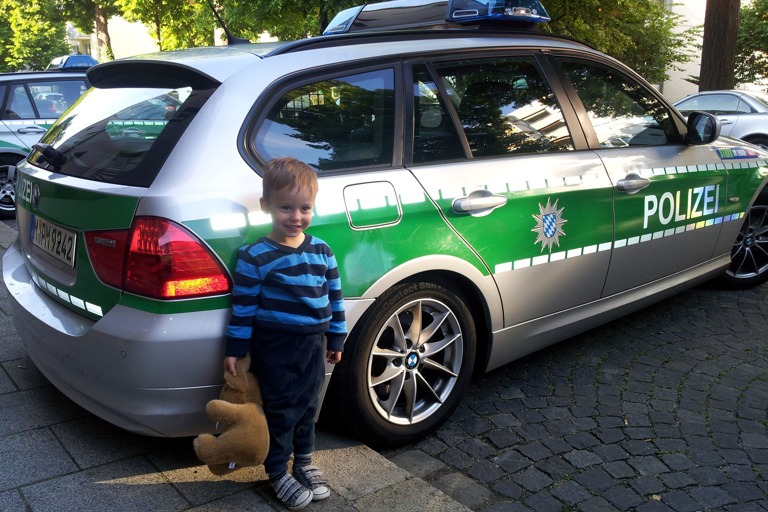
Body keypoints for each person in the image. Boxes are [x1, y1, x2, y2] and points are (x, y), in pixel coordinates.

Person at [224, 157, 347, 510]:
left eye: (305, 208)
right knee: (281, 408)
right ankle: (277, 470)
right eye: (286, 208)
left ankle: (304, 462)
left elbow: (335, 297)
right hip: (277, 346)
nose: (296, 217)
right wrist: (235, 348)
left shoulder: (322, 251)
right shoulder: (255, 256)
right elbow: (243, 307)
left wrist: (336, 338)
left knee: (309, 404)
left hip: (314, 344)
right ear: (266, 206)